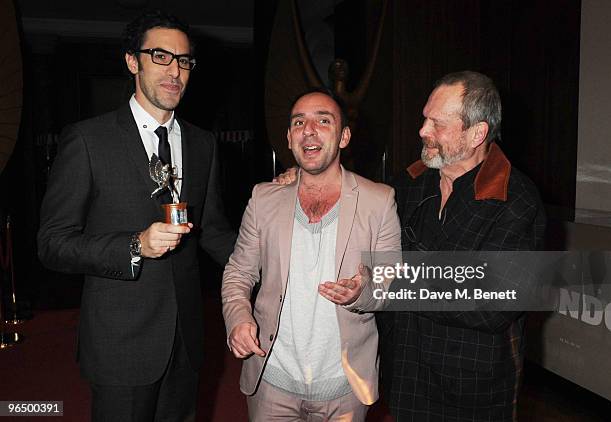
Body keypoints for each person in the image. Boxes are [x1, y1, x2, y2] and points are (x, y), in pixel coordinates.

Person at [37, 10, 235, 421]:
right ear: (132, 61)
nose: (175, 71)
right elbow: (53, 244)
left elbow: (213, 231)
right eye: (160, 56)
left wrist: (274, 266)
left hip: (186, 337)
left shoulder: (203, 144)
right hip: (120, 341)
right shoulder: (89, 140)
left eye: (183, 61)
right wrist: (134, 246)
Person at [221, 89, 401, 421]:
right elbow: (239, 271)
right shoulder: (264, 198)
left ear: (344, 136)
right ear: (289, 138)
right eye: (299, 122)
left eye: (323, 120)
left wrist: (363, 292)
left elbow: (389, 282)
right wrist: (238, 319)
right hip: (272, 381)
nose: (309, 130)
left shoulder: (379, 201)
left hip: (344, 388)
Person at [380, 71, 546, 421]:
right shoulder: (411, 182)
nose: (422, 131)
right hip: (406, 377)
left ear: (477, 133)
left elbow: (493, 301)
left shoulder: (516, 199)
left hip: (473, 392)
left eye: (436, 123)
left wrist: (395, 281)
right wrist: (308, 182)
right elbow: (359, 205)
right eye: (425, 118)